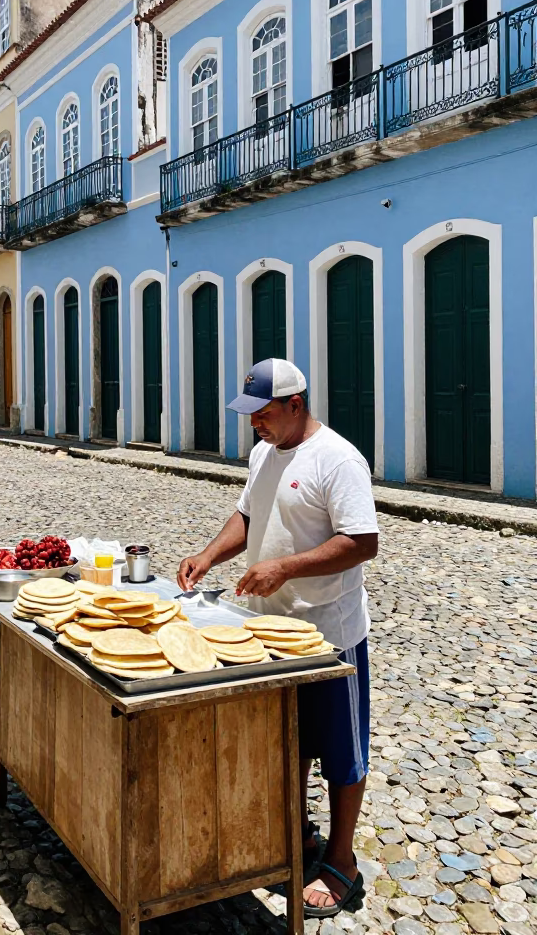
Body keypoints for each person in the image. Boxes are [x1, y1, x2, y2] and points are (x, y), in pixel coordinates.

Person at [177, 359, 378, 919]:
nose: (255, 426)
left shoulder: (338, 459)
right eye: (250, 416)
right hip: (269, 631)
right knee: (287, 742)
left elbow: (362, 542)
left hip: (328, 635)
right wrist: (209, 554)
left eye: (263, 415)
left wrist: (285, 568)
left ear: (297, 405)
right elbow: (249, 514)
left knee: (342, 751)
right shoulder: (264, 452)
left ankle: (342, 862)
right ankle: (298, 838)